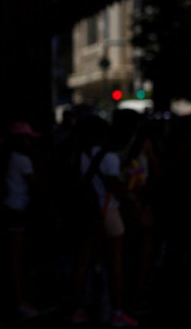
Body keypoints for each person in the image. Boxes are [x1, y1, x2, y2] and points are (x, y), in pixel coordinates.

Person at [68, 115, 137, 328]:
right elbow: (116, 186)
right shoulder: (110, 158)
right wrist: (131, 183)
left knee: (83, 262)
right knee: (115, 263)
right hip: (109, 212)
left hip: (88, 213)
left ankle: (78, 310)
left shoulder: (81, 156)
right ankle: (116, 312)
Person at [1, 121, 41, 319]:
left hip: (13, 208)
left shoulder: (10, 158)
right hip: (17, 209)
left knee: (16, 257)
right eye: (27, 139)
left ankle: (19, 299)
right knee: (16, 259)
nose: (30, 143)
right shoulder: (22, 160)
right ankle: (19, 301)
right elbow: (36, 185)